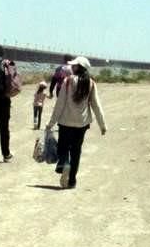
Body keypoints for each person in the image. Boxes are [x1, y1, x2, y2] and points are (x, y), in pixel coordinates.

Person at [44, 55, 106, 189]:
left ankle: (65, 163)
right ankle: (72, 181)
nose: (71, 67)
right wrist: (102, 125)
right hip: (82, 124)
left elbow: (59, 105)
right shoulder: (91, 83)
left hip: (65, 122)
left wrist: (51, 123)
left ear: (79, 67)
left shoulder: (67, 81)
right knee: (76, 151)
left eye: (74, 65)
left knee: (63, 148)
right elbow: (96, 105)